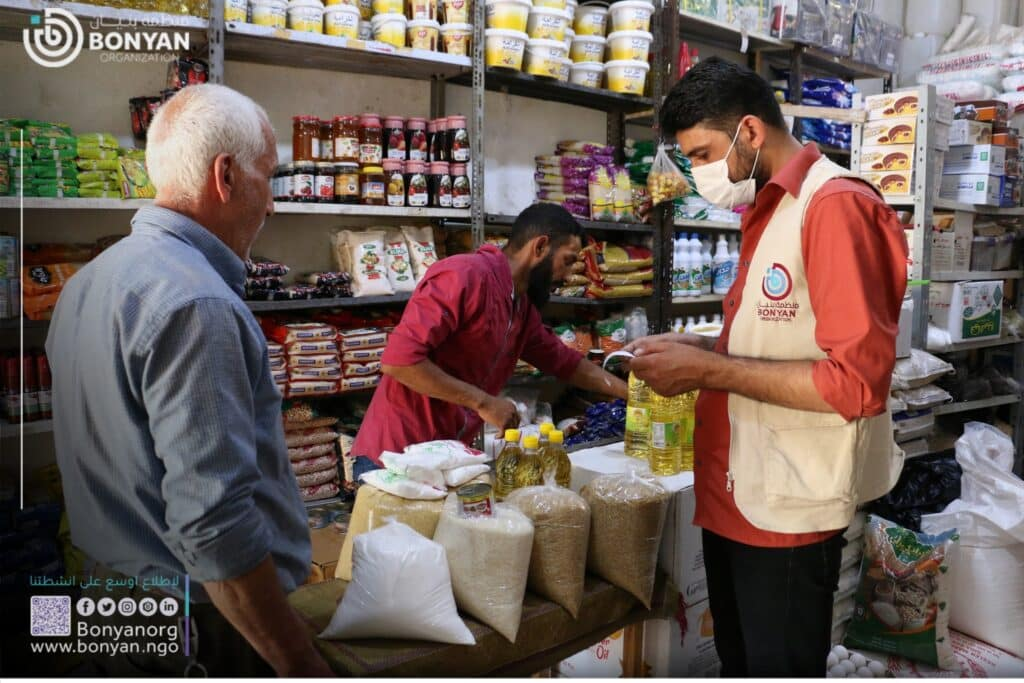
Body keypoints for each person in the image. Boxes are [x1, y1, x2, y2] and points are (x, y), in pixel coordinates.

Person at [626, 57, 907, 677]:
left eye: (702, 155)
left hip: (788, 505)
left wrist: (708, 373)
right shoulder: (769, 207)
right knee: (740, 661)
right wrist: (702, 351)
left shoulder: (833, 206)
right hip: (738, 489)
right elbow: (779, 344)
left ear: (750, 132)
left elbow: (856, 385)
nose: (699, 175)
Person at [45, 84, 332, 677]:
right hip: (201, 626)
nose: (273, 203)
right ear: (225, 176)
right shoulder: (197, 304)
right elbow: (216, 529)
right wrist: (299, 662)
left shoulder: (89, 282)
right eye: (268, 177)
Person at [350, 203, 628, 470]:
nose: (568, 276)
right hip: (395, 456)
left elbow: (563, 361)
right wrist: (483, 402)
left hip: (445, 456)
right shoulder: (463, 276)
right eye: (567, 262)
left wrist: (633, 393)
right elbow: (399, 361)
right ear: (540, 246)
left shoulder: (519, 306)